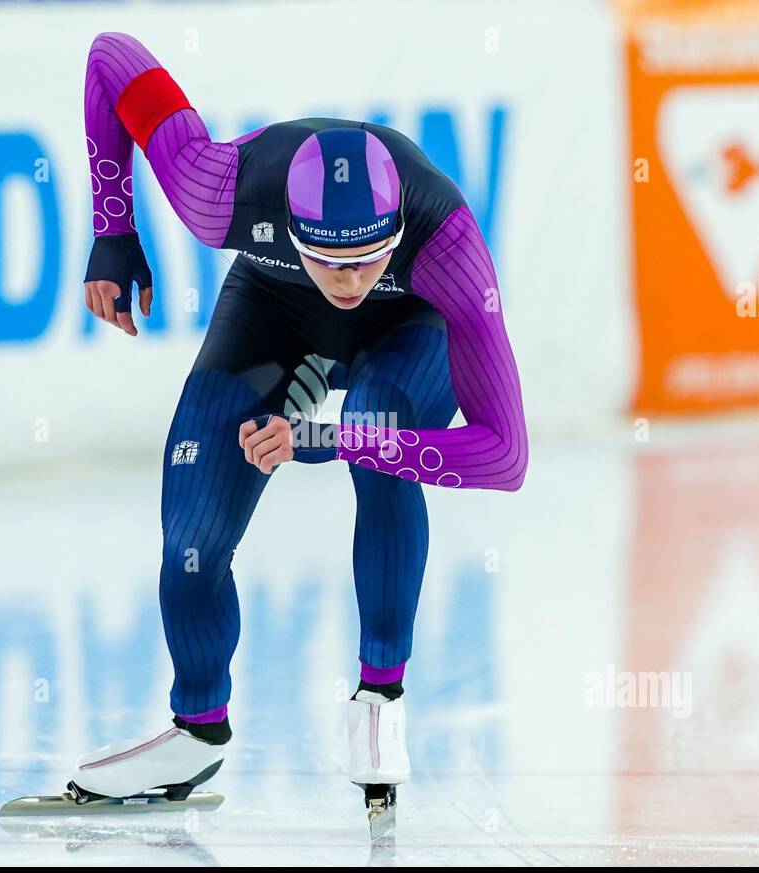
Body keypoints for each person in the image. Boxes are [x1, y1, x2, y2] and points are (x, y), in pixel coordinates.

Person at [70, 31, 528, 805]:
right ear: (290, 228)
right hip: (274, 312)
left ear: (397, 235)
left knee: (380, 430)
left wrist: (332, 435)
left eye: (367, 259)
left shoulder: (449, 251)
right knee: (192, 536)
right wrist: (114, 228)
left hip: (408, 326)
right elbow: (111, 55)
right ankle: (196, 728)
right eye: (328, 259)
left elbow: (506, 458)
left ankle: (380, 697)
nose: (348, 281)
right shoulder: (218, 190)